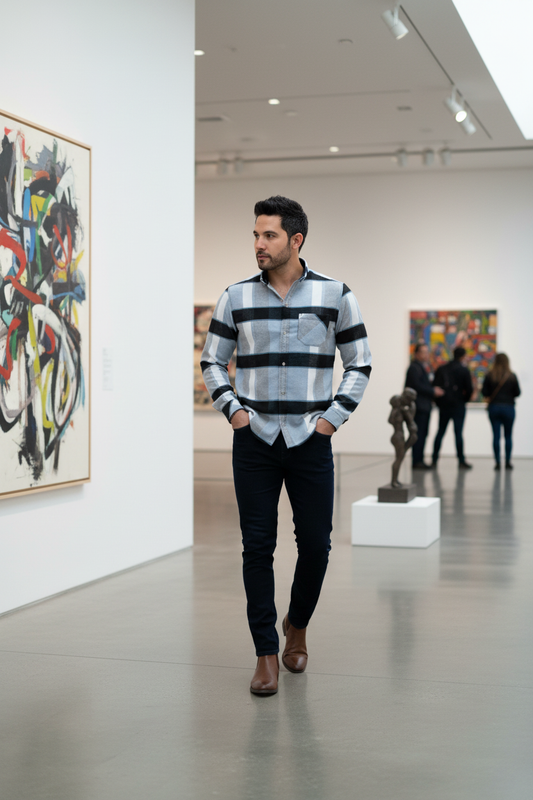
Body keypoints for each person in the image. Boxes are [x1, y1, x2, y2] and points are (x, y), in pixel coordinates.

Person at [201, 195, 372, 695]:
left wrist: (330, 422)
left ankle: (296, 624)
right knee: (257, 547)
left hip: (309, 440)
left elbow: (359, 363)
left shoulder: (335, 294)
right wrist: (234, 412)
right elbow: (212, 361)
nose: (259, 243)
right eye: (256, 234)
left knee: (316, 545)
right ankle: (265, 652)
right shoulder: (235, 297)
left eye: (269, 235)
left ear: (295, 240)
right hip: (253, 441)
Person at [431, 346, 474, 469]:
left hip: (444, 405)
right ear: (463, 356)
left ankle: (434, 459)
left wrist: (439, 402)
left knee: (440, 432)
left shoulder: (442, 369)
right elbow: (469, 389)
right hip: (458, 405)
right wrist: (464, 400)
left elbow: (435, 386)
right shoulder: (464, 370)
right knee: (458, 433)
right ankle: (461, 460)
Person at [405, 343, 444, 469]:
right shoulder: (414, 368)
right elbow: (416, 386)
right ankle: (417, 461)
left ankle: (419, 459)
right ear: (416, 354)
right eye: (423, 352)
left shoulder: (422, 367)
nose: (426, 355)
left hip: (424, 406)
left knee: (423, 433)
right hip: (418, 407)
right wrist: (433, 391)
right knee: (419, 434)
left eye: (427, 352)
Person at [482, 353, 520, 469]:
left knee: (496, 436)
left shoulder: (490, 375)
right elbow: (517, 392)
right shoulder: (511, 376)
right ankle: (508, 462)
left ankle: (497, 462)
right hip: (508, 408)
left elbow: (484, 392)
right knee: (508, 436)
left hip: (494, 407)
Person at [388, 388, 418, 486]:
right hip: (397, 436)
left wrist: (405, 412)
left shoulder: (407, 408)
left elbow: (411, 423)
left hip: (401, 435)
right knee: (399, 459)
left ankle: (395, 480)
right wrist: (398, 410)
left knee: (400, 458)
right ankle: (394, 481)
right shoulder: (397, 409)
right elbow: (390, 420)